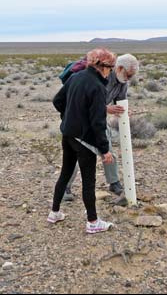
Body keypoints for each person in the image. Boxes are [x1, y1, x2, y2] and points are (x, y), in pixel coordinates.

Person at [48, 48, 116, 234]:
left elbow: (57, 101)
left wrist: (69, 118)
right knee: (88, 181)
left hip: (68, 134)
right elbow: (98, 122)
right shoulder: (97, 87)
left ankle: (54, 213)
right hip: (84, 140)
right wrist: (105, 150)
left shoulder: (75, 77)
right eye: (110, 67)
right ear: (102, 66)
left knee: (65, 173)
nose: (111, 71)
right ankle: (93, 222)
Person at [63, 53, 140, 201]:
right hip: (81, 122)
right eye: (128, 75)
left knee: (108, 151)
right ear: (119, 68)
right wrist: (105, 109)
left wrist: (123, 110)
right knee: (78, 155)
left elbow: (120, 100)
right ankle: (65, 187)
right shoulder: (100, 77)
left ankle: (114, 182)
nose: (129, 79)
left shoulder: (122, 82)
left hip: (98, 121)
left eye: (131, 76)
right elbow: (84, 101)